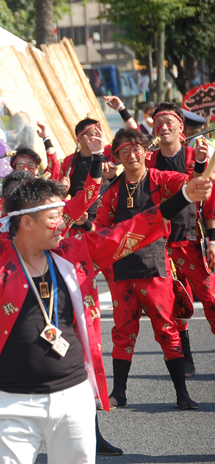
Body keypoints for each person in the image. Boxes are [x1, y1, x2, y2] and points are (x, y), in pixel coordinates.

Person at [0, 165, 212, 464]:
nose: (64, 223)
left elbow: (135, 228)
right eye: (55, 216)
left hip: (75, 397)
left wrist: (185, 196)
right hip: (15, 402)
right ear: (27, 221)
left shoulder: (75, 253)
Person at [95, 127, 204, 410]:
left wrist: (202, 162)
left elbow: (193, 184)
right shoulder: (111, 192)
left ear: (146, 151)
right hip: (121, 272)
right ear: (117, 157)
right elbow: (102, 232)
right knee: (122, 333)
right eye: (124, 151)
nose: (131, 155)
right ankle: (118, 393)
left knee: (167, 329)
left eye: (136, 149)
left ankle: (182, 394)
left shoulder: (160, 179)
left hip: (155, 266)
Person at [146, 103, 215, 377]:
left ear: (181, 129)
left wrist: (212, 239)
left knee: (210, 297)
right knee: (174, 304)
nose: (163, 127)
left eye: (168, 122)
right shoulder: (148, 161)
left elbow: (209, 200)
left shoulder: (194, 156)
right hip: (159, 243)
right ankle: (185, 359)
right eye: (157, 123)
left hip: (191, 239)